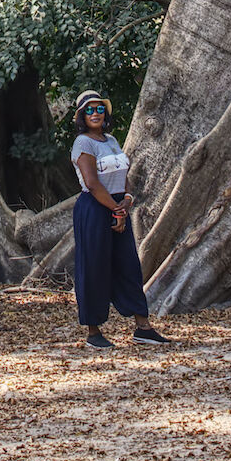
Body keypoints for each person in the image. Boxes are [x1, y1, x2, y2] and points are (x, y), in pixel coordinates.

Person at [69, 91, 170, 349]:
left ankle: (143, 327)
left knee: (128, 266)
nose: (95, 114)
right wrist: (115, 209)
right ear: (81, 115)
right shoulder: (83, 143)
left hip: (116, 205)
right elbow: (92, 183)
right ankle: (94, 331)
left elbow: (121, 172)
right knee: (94, 267)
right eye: (89, 110)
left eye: (99, 109)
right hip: (94, 208)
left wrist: (126, 199)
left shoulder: (111, 140)